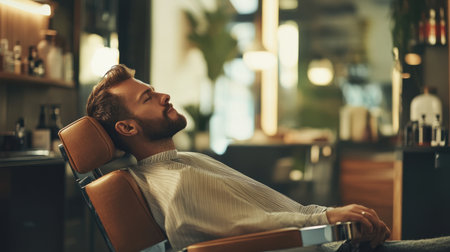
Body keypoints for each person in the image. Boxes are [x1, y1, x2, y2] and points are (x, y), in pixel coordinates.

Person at [86, 64, 449, 252]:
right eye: (148, 98)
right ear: (128, 128)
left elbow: (261, 216)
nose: (165, 95)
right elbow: (244, 233)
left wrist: (333, 217)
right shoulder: (174, 184)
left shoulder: (185, 161)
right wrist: (330, 221)